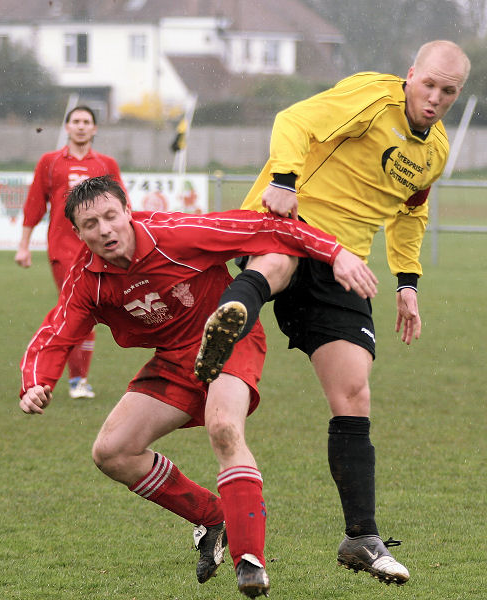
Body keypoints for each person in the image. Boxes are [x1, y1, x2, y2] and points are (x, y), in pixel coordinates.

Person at [18, 175, 378, 598]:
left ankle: (251, 560)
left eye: (111, 216)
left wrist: (334, 252)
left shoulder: (175, 235)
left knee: (223, 426)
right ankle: (214, 516)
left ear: (127, 210)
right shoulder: (87, 278)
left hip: (229, 339)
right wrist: (36, 381)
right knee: (112, 452)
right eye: (91, 224)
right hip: (174, 360)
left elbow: (265, 228)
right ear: (77, 233)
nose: (105, 230)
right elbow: (58, 330)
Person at [194, 40, 471, 586]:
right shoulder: (371, 96)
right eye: (429, 84)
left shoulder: (435, 150)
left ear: (457, 95)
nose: (435, 98)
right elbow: (294, 119)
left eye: (449, 92)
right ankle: (231, 313)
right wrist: (283, 181)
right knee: (276, 261)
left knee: (353, 392)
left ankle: (361, 537)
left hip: (344, 266)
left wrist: (408, 282)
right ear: (410, 73)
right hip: (289, 225)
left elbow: (412, 213)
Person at [15, 106, 127, 400]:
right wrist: (24, 245)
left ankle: (76, 377)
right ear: (66, 127)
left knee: (95, 312)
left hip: (101, 250)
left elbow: (122, 205)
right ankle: (77, 380)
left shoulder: (106, 163)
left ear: (95, 129)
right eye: (75, 121)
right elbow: (35, 205)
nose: (80, 126)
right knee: (78, 311)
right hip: (64, 252)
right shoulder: (50, 162)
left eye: (86, 122)